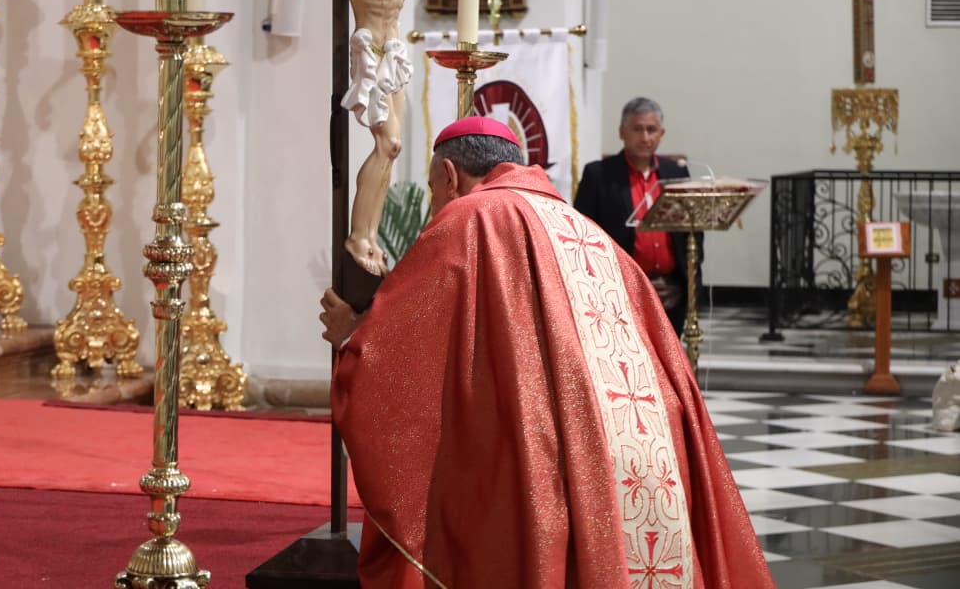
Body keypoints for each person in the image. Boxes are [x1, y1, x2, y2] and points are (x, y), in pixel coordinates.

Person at [318, 116, 774, 588]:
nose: (435, 203)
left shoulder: (469, 218)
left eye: (434, 189)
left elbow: (404, 354)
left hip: (557, 450)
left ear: (450, 176)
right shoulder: (584, 228)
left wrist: (353, 336)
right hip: (646, 453)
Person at [319, 0, 412, 277]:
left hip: (395, 53)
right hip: (372, 51)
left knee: (393, 150)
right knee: (386, 144)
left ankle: (371, 235)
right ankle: (357, 234)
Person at [574, 97, 702, 336]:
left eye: (651, 130)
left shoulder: (676, 172)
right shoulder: (599, 175)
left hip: (671, 293)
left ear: (661, 134)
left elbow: (692, 231)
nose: (645, 137)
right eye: (637, 129)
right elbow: (581, 236)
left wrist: (684, 282)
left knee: (670, 357)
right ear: (622, 132)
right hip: (620, 293)